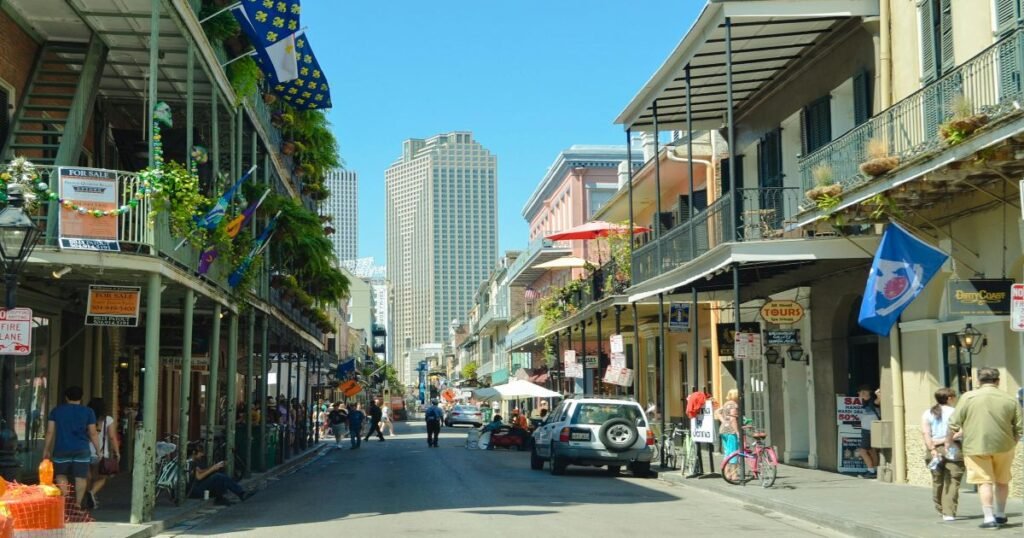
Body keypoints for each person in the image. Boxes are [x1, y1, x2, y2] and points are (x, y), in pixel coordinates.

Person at [946, 368, 1023, 529]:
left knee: (984, 481)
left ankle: (989, 518)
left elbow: (953, 423)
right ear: (998, 381)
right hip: (1004, 445)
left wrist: (949, 442)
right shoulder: (1009, 399)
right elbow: (1020, 427)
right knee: (1002, 481)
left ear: (978, 381)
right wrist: (1013, 442)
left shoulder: (968, 397)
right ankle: (1001, 514)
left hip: (975, 445)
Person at [42, 386, 100, 508]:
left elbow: (50, 432)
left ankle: (65, 498)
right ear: (81, 398)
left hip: (61, 448)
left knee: (61, 474)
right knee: (80, 477)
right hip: (82, 449)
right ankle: (78, 503)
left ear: (66, 397)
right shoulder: (88, 412)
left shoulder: (56, 411)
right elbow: (93, 432)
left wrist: (46, 449)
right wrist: (98, 450)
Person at [921, 387, 963, 522]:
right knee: (952, 479)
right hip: (953, 447)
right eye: (954, 396)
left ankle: (940, 508)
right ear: (949, 398)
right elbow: (963, 431)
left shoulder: (927, 413)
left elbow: (925, 433)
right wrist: (947, 440)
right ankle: (949, 512)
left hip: (934, 449)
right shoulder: (955, 412)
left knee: (937, 480)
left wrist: (932, 448)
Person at [84, 398, 119, 510]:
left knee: (87, 477)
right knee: (102, 477)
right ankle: (92, 493)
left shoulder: (85, 417)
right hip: (101, 453)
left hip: (84, 451)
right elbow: (112, 437)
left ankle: (87, 494)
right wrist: (117, 451)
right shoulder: (108, 419)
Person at [855, 385, 881, 478]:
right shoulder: (865, 403)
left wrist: (878, 395)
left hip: (869, 430)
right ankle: (875, 469)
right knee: (871, 450)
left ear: (867, 393)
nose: (860, 394)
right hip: (867, 429)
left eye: (863, 392)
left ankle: (871, 471)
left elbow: (878, 401)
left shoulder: (872, 402)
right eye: (860, 392)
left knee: (862, 451)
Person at [717, 389, 740, 481]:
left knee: (727, 452)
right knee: (733, 452)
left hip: (723, 430)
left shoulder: (726, 404)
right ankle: (733, 474)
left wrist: (723, 421)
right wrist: (737, 432)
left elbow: (717, 412)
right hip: (731, 431)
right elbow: (733, 419)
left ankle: (726, 473)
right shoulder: (734, 405)